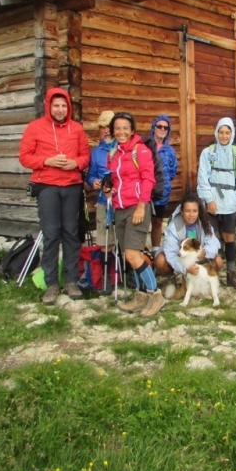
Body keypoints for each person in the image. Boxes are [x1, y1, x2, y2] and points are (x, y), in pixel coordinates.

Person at [19, 87, 91, 305]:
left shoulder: (76, 128)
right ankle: (51, 283)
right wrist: (46, 161)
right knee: (51, 234)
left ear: (68, 108)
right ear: (48, 106)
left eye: (63, 106)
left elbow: (85, 155)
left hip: (71, 186)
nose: (60, 109)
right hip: (47, 186)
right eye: (56, 105)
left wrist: (76, 163)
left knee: (71, 233)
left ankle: (71, 281)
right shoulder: (35, 127)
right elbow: (24, 157)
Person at [104, 112, 163, 317]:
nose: (121, 132)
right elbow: (115, 180)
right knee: (130, 257)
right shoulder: (114, 153)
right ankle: (141, 296)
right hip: (119, 208)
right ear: (113, 131)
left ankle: (156, 295)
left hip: (137, 208)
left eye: (125, 128)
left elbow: (148, 180)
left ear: (132, 130)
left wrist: (141, 206)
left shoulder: (141, 151)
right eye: (117, 128)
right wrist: (108, 190)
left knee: (132, 255)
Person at [197, 117, 236, 289]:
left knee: (229, 237)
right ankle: (210, 274)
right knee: (211, 237)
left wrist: (235, 196)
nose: (224, 136)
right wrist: (209, 199)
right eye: (221, 132)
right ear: (216, 132)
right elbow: (202, 177)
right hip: (212, 201)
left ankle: (231, 274)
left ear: (232, 133)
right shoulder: (208, 152)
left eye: (227, 132)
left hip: (229, 202)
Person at [154, 194, 222, 278]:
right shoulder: (173, 227)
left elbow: (213, 243)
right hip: (179, 257)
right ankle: (174, 276)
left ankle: (204, 278)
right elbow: (171, 254)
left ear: (199, 211)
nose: (191, 215)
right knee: (160, 261)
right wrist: (185, 269)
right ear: (182, 212)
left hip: (198, 257)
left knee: (218, 262)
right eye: (187, 211)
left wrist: (205, 252)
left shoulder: (204, 224)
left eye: (195, 211)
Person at [86, 110, 116, 291]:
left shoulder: (122, 148)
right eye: (102, 127)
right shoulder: (96, 152)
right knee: (105, 242)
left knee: (127, 239)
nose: (106, 131)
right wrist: (93, 182)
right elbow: (90, 175)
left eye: (108, 126)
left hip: (121, 201)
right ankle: (106, 278)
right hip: (103, 201)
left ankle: (128, 273)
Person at [147, 115, 179, 249]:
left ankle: (155, 251)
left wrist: (163, 184)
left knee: (157, 222)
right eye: (159, 126)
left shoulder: (170, 151)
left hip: (161, 194)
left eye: (165, 127)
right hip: (144, 192)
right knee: (141, 223)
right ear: (154, 128)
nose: (162, 129)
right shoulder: (145, 147)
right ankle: (140, 253)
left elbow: (172, 171)